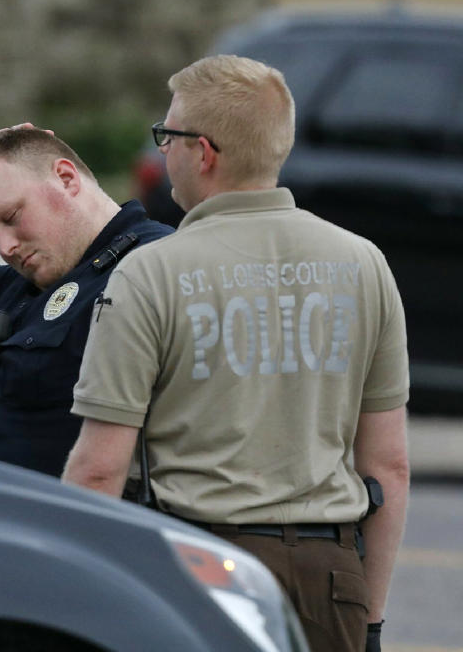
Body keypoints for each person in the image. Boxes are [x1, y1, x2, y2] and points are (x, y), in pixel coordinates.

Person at [62, 55, 410, 652]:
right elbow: (388, 467)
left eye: (166, 137)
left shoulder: (150, 273)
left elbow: (98, 469)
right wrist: (369, 621)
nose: (161, 151)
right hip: (330, 581)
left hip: (197, 571)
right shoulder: (363, 263)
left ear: (203, 152)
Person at [0, 126, 173, 477]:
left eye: (11, 217)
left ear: (67, 179)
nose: (6, 247)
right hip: (6, 520)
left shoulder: (156, 263)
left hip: (80, 521)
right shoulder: (16, 287)